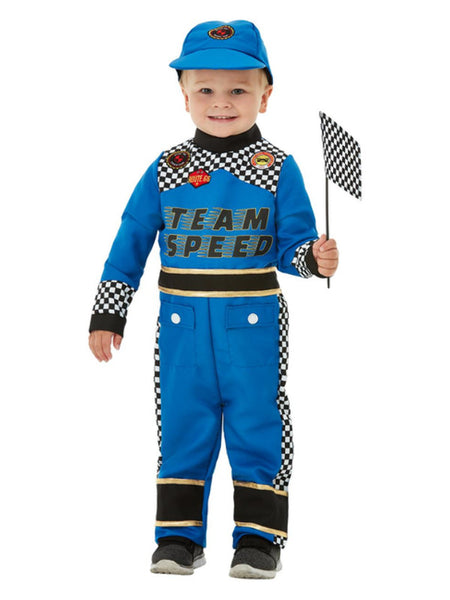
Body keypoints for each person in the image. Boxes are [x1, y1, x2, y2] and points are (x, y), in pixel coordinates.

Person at [88, 20, 338, 579]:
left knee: (258, 421)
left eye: (238, 89)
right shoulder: (166, 169)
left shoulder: (278, 169)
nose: (221, 102)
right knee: (182, 421)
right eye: (205, 89)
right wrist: (109, 311)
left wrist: (313, 259)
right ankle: (178, 537)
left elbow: (293, 246)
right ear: (183, 95)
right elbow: (131, 240)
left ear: (265, 96)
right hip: (182, 325)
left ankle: (259, 538)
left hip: (253, 323)